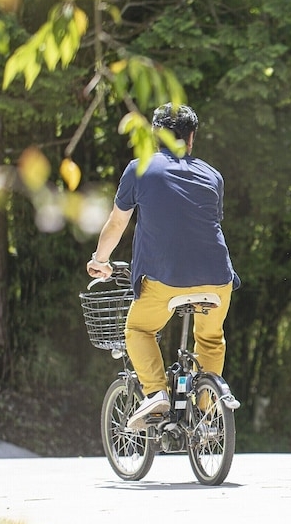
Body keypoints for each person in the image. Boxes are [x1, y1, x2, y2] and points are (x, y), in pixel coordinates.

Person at [87, 103, 240, 429]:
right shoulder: (213, 175)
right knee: (211, 340)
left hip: (165, 278)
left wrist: (99, 261)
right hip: (218, 280)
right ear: (191, 137)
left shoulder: (139, 168)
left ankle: (156, 393)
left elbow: (116, 225)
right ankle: (206, 411)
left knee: (139, 330)